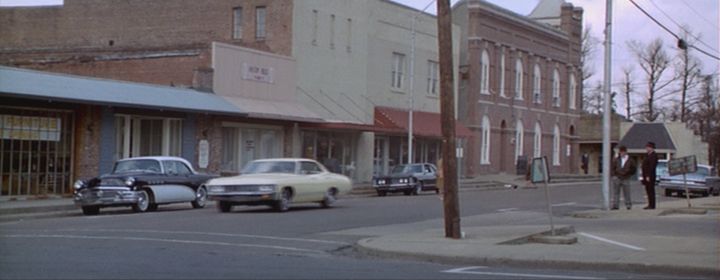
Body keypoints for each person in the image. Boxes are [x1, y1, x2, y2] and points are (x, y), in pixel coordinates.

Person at [611, 146, 636, 210]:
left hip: (626, 178)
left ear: (625, 152)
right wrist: (614, 176)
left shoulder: (630, 160)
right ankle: (615, 205)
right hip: (617, 177)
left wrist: (629, 174)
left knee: (627, 192)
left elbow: (633, 168)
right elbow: (613, 167)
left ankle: (628, 205)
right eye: (621, 152)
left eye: (623, 152)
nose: (622, 153)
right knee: (616, 192)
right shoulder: (617, 159)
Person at [641, 141, 658, 209]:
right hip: (645, 175)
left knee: (651, 190)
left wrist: (648, 175)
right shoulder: (647, 155)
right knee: (648, 190)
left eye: (648, 147)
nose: (647, 148)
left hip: (650, 176)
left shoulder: (653, 155)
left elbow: (652, 166)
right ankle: (649, 204)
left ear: (651, 148)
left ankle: (652, 205)